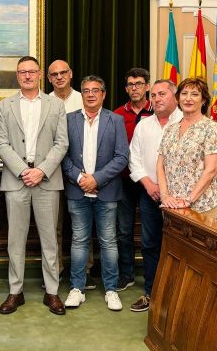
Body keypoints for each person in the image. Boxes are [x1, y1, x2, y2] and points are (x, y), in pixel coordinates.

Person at [0, 56, 68, 316]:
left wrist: (40, 171)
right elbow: (1, 143)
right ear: (17, 76)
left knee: (50, 240)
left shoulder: (55, 105)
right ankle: (15, 292)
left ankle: (52, 291)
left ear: (40, 75)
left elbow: (62, 143)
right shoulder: (5, 105)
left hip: (46, 180)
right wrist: (24, 171)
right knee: (15, 241)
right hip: (16, 181)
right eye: (22, 72)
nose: (27, 76)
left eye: (31, 72)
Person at [62, 75, 129, 311]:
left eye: (96, 90)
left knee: (109, 242)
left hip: (106, 191)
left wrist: (96, 179)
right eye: (86, 90)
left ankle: (111, 290)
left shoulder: (116, 120)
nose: (91, 94)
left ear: (104, 94)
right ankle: (77, 288)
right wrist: (81, 178)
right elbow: (63, 155)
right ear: (82, 94)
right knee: (79, 241)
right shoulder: (68, 120)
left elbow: (122, 157)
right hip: (77, 190)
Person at [127, 79, 182, 312]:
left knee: (180, 247)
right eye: (155, 95)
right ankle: (151, 293)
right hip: (151, 195)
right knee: (150, 245)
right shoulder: (144, 125)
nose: (157, 99)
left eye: (163, 94)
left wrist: (171, 191)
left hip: (181, 199)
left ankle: (178, 296)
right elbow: (134, 158)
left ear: (175, 97)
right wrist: (148, 184)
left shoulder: (187, 122)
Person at [47, 59, 91, 286]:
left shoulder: (84, 98)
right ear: (49, 79)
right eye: (54, 74)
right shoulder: (44, 102)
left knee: (82, 225)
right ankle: (56, 270)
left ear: (71, 74)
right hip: (52, 172)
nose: (59, 77)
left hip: (80, 173)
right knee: (53, 225)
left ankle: (85, 270)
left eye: (63, 72)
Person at [157, 77, 217, 218]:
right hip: (172, 206)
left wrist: (188, 200)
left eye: (195, 94)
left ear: (204, 100)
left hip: (201, 207)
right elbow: (160, 166)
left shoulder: (212, 129)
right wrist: (165, 197)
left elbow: (211, 170)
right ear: (178, 99)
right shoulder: (170, 129)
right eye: (184, 93)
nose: (188, 98)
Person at [113, 68, 153, 292]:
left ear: (147, 86)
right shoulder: (117, 114)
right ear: (126, 88)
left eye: (139, 84)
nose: (134, 88)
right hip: (124, 181)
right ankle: (126, 274)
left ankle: (151, 278)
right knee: (124, 231)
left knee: (150, 232)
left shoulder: (157, 111)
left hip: (150, 182)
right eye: (130, 84)